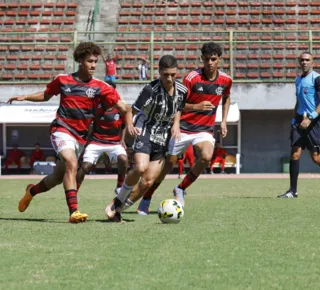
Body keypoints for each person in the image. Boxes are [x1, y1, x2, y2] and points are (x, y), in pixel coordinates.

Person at [8, 42, 128, 223]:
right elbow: (46, 95)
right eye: (90, 61)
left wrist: (129, 114)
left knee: (57, 178)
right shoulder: (63, 80)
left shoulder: (101, 86)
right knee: (72, 162)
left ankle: (31, 191)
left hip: (80, 137)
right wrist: (26, 97)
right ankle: (74, 212)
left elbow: (122, 107)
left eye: (96, 61)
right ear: (80, 60)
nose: (94, 65)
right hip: (61, 129)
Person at [124, 42, 232, 214]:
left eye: (213, 59)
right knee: (168, 165)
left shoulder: (226, 80)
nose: (209, 62)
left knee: (206, 156)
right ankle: (146, 197)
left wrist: (224, 121)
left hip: (204, 129)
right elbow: (178, 104)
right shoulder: (192, 78)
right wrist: (195, 108)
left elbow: (226, 98)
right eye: (206, 59)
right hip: (182, 127)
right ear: (201, 59)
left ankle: (180, 188)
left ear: (220, 59)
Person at [105, 55, 188, 222]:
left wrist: (176, 123)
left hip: (163, 138)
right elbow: (130, 110)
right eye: (165, 75)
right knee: (141, 168)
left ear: (177, 72)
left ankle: (118, 209)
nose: (169, 78)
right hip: (145, 131)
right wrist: (129, 125)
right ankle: (117, 200)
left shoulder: (183, 90)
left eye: (173, 74)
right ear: (159, 72)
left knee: (148, 182)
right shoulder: (150, 90)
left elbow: (179, 108)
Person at [278, 51, 320, 198]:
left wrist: (310, 118)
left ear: (312, 62)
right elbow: (298, 101)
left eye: (307, 60)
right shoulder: (298, 80)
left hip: (313, 123)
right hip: (298, 123)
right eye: (302, 60)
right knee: (294, 153)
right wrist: (294, 119)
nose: (304, 62)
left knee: (316, 158)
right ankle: (292, 191)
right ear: (299, 62)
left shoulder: (317, 79)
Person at [76, 81, 128, 195]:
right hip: (96, 141)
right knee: (85, 166)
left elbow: (124, 125)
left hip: (114, 142)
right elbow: (88, 122)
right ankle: (74, 191)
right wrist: (86, 140)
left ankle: (119, 186)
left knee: (124, 159)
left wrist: (122, 139)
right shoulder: (96, 105)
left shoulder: (121, 107)